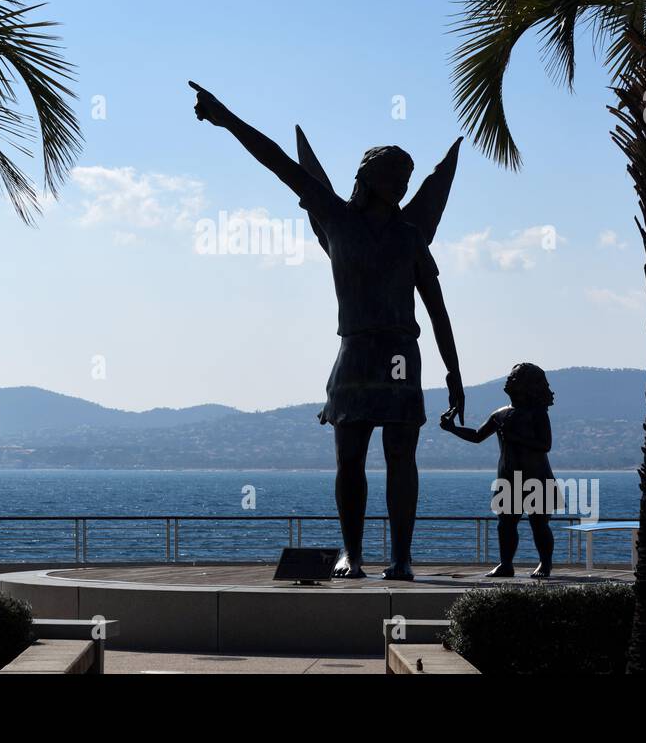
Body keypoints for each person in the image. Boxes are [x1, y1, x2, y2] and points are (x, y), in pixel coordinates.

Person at [189, 81, 466, 580]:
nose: (402, 183)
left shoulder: (411, 238)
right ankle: (353, 554)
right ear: (370, 178)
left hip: (402, 353)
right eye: (393, 174)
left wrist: (455, 375)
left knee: (402, 459)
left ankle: (401, 557)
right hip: (355, 353)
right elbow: (278, 162)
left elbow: (438, 309)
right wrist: (226, 119)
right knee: (350, 459)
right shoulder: (337, 219)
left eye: (407, 176)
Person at [440, 362, 556, 579]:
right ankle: (506, 564)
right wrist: (452, 428)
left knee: (539, 523)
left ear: (526, 385)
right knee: (505, 524)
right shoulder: (500, 414)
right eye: (510, 376)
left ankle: (545, 563)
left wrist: (515, 438)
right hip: (508, 478)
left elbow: (545, 444)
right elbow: (477, 435)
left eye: (514, 378)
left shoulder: (537, 413)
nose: (508, 380)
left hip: (537, 476)